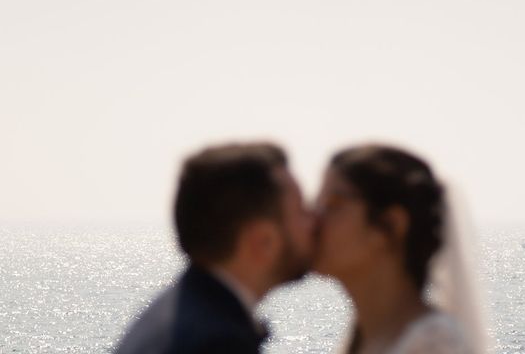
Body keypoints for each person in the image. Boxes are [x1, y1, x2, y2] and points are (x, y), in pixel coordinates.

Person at [116, 142, 314, 354]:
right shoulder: (218, 343)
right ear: (262, 241)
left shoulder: (171, 316)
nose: (314, 222)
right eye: (302, 211)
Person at [314, 144, 486, 354]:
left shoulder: (433, 344)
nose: (314, 220)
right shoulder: (367, 339)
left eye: (333, 205)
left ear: (392, 224)